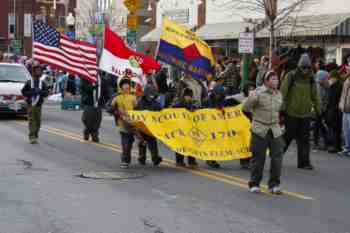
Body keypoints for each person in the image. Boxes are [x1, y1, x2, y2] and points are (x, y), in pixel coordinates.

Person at [243, 71, 284, 195]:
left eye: (276, 78)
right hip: (260, 130)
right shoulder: (257, 93)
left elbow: (280, 110)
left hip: (275, 130)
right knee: (258, 158)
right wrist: (254, 120)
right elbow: (245, 108)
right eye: (272, 78)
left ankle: (274, 184)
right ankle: (254, 184)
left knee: (277, 158)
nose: (275, 81)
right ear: (266, 81)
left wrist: (281, 124)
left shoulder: (279, 94)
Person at [281, 53, 321, 170]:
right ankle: (277, 156)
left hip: (305, 114)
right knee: (287, 136)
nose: (305, 70)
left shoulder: (311, 79)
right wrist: (282, 109)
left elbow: (315, 96)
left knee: (304, 139)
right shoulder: (291, 76)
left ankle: (304, 162)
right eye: (303, 67)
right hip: (291, 112)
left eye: (308, 67)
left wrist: (319, 109)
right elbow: (283, 93)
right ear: (299, 66)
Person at [111, 78, 137, 169]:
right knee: (125, 142)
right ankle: (125, 160)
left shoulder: (133, 97)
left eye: (127, 84)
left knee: (129, 143)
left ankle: (127, 159)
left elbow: (138, 109)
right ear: (121, 87)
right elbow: (110, 108)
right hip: (122, 123)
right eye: (124, 84)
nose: (126, 86)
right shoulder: (117, 98)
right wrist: (117, 112)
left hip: (132, 123)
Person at [135, 85, 163, 166]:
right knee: (142, 142)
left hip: (152, 127)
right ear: (146, 94)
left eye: (152, 94)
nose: (151, 96)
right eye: (150, 94)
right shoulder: (140, 102)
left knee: (153, 143)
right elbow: (136, 112)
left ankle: (155, 158)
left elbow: (161, 112)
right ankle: (142, 157)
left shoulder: (155, 103)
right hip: (142, 126)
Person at [21, 63, 49, 144]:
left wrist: (40, 92)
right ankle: (32, 136)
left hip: (38, 105)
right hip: (31, 105)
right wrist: (31, 93)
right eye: (37, 70)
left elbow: (46, 93)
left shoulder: (42, 83)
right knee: (31, 120)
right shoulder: (29, 82)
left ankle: (36, 134)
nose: (38, 72)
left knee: (38, 122)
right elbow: (23, 92)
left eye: (40, 71)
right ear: (33, 72)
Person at [172, 88, 198, 168]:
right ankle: (179, 161)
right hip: (180, 126)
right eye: (188, 96)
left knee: (191, 144)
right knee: (180, 144)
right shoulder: (178, 103)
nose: (189, 98)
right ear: (184, 96)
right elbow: (172, 110)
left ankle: (191, 161)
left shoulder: (192, 103)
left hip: (189, 127)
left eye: (190, 96)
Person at [313, 60, 330, 150]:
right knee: (319, 123)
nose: (315, 64)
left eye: (316, 63)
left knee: (318, 123)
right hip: (324, 102)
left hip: (320, 103)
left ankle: (319, 142)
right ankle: (325, 142)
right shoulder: (327, 73)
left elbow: (318, 90)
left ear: (319, 64)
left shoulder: (320, 73)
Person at [80, 78, 102, 143]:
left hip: (98, 104)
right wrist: (95, 85)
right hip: (89, 103)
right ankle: (87, 131)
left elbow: (106, 88)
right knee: (88, 120)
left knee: (97, 120)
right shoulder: (86, 78)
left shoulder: (101, 78)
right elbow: (85, 88)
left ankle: (94, 134)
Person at [326, 70, 343, 153]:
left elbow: (335, 98)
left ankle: (336, 146)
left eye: (331, 77)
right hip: (332, 109)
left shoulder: (338, 85)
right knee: (334, 128)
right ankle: (334, 145)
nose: (330, 79)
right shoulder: (334, 85)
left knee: (336, 129)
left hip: (335, 110)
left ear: (335, 77)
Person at [338, 72, 350, 157]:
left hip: (348, 108)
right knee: (345, 130)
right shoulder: (347, 79)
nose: (347, 68)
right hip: (345, 108)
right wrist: (341, 104)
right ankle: (347, 147)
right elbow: (343, 93)